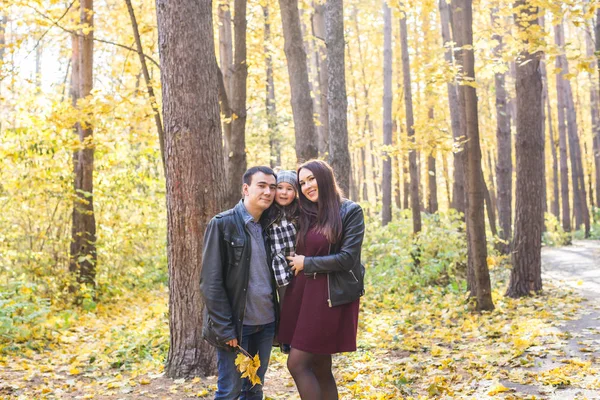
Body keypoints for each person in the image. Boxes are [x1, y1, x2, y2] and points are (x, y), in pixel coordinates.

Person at [279, 160, 365, 400]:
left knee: (296, 364)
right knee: (319, 366)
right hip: (303, 294)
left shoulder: (350, 211)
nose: (307, 186)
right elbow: (277, 202)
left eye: (311, 179)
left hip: (328, 296)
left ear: (325, 178)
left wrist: (307, 263)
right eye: (302, 183)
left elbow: (348, 258)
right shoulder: (304, 212)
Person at [200, 166, 279, 400]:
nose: (268, 192)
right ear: (246, 189)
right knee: (229, 392)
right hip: (236, 327)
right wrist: (225, 328)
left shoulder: (269, 227)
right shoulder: (222, 224)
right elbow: (210, 282)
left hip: (266, 324)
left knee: (254, 389)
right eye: (261, 185)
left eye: (272, 187)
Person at [263, 170, 299, 353]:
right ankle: (281, 338)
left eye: (289, 189)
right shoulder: (267, 213)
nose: (284, 193)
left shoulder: (299, 214)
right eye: (280, 188)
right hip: (274, 268)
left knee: (292, 304)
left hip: (295, 266)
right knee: (278, 305)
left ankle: (292, 339)